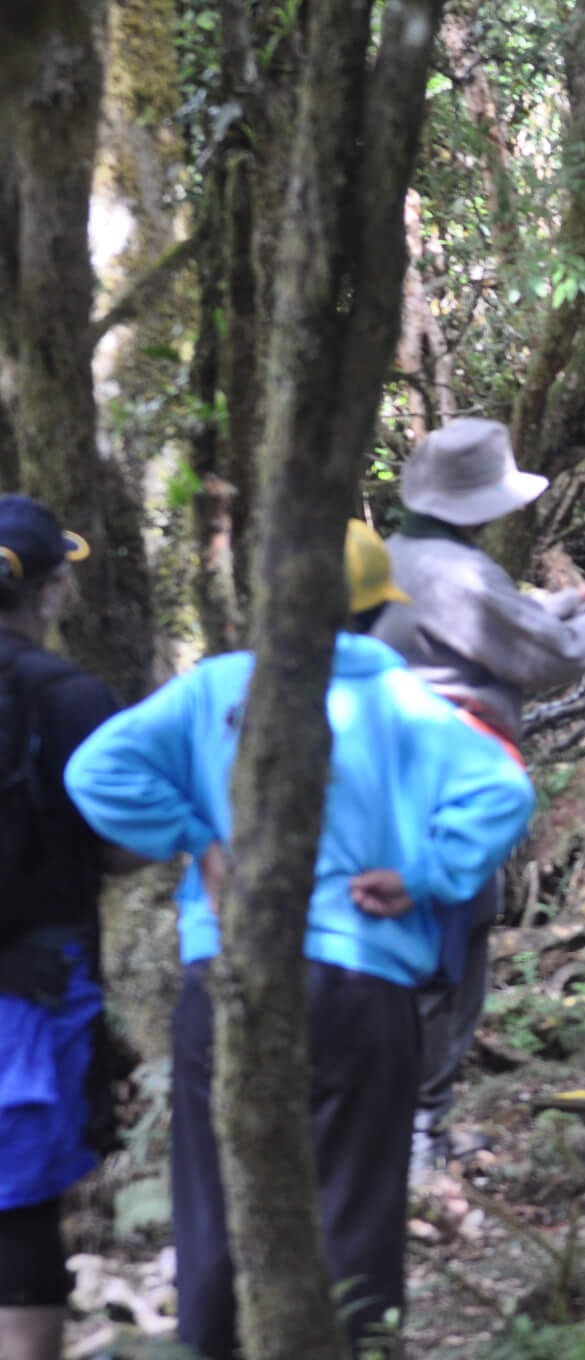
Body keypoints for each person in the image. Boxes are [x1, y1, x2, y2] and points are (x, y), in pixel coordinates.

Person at [65, 521, 535, 1360]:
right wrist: (423, 874)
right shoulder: (406, 704)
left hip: (230, 978)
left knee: (216, 1201)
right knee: (355, 1203)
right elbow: (502, 790)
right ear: (376, 611)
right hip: (362, 986)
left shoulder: (217, 691)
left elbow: (95, 769)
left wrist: (198, 836)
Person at [370, 417, 585, 1175]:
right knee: (449, 951)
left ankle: (407, 1127)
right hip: (451, 787)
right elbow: (561, 655)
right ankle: (420, 1135)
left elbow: (504, 619)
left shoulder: (398, 558)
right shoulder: (457, 574)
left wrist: (573, 597)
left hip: (381, 787)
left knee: (413, 951)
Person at [0, 497, 129, 1360]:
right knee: (17, 1209)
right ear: (49, 593)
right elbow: (124, 844)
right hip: (35, 991)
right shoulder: (73, 699)